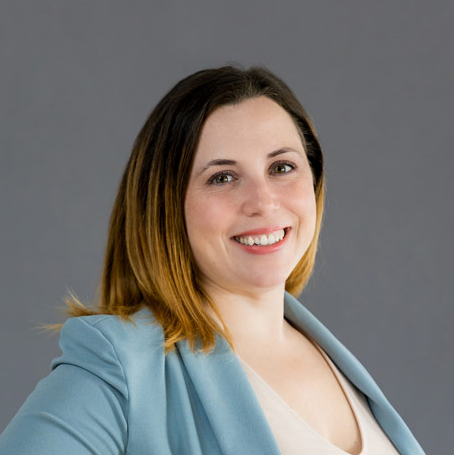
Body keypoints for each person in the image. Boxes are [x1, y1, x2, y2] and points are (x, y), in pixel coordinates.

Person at [0, 65, 426, 455]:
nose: (263, 201)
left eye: (282, 167)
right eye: (222, 177)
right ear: (167, 205)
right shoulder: (124, 365)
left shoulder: (331, 358)